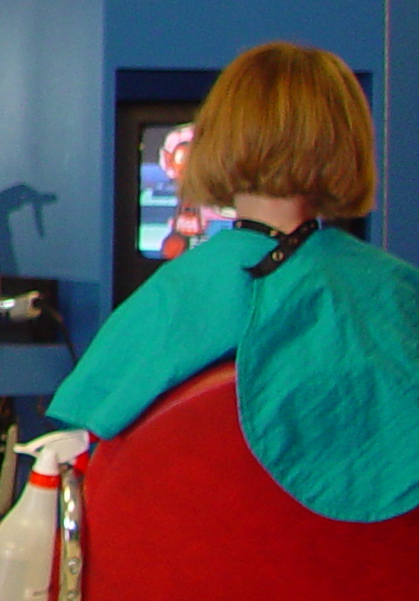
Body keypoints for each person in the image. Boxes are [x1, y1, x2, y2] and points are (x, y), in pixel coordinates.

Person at [47, 42, 419, 521]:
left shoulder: (177, 296)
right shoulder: (397, 292)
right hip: (373, 585)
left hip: (191, 575)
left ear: (219, 139)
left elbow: (84, 452)